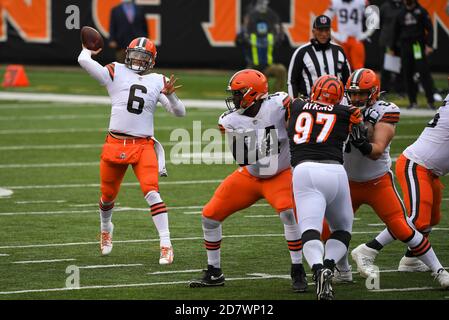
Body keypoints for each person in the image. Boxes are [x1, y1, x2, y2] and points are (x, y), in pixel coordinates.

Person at [189, 69, 307, 293]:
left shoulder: (280, 104)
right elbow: (246, 157)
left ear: (253, 93)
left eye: (237, 93)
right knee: (210, 216)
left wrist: (297, 112)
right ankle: (214, 271)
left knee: (288, 212)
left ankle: (297, 268)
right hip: (250, 174)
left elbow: (300, 116)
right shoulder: (229, 120)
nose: (233, 98)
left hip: (280, 174)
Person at [78, 37, 185, 264]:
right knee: (107, 197)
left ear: (151, 61)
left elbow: (179, 113)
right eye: (135, 55)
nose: (137, 59)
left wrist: (172, 95)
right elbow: (83, 61)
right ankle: (106, 229)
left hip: (143, 145)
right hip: (115, 143)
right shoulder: (115, 71)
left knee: (152, 192)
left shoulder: (158, 80)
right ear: (127, 54)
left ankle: (166, 244)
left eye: (143, 57)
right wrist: (87, 50)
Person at [337, 69, 449, 289]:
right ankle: (343, 267)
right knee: (329, 228)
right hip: (348, 180)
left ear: (375, 93)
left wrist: (360, 140)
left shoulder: (385, 110)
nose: (356, 98)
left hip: (378, 180)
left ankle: (420, 263)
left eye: (362, 93)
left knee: (420, 222)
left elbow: (376, 149)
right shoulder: (339, 105)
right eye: (353, 93)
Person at [287, 74, 362, 300]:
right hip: (335, 172)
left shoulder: (296, 105)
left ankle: (318, 269)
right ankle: (329, 265)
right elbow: (360, 137)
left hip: (305, 171)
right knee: (342, 229)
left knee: (310, 229)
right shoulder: (346, 112)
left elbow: (284, 105)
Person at [287, 15, 351, 99]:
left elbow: (348, 80)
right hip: (310, 104)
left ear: (330, 31)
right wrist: (293, 104)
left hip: (336, 103)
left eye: (326, 30)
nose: (324, 34)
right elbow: (292, 81)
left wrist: (347, 101)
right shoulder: (302, 52)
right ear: (313, 31)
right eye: (320, 30)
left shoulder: (339, 51)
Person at [392, 0, 436, 109]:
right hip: (405, 47)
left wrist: (429, 45)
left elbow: (429, 28)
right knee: (407, 74)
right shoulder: (401, 13)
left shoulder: (420, 11)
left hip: (417, 46)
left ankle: (430, 101)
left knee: (423, 72)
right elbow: (395, 31)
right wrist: (393, 48)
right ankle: (412, 101)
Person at [236, 0, 287, 92]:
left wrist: (280, 34)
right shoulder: (247, 35)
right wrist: (244, 32)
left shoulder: (272, 36)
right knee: (245, 81)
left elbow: (282, 40)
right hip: (252, 67)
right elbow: (238, 41)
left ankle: (277, 95)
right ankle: (247, 97)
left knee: (281, 69)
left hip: (268, 67)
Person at [324, 0, 377, 70]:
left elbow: (374, 18)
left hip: (355, 39)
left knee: (358, 68)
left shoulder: (361, 2)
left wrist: (366, 34)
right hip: (342, 40)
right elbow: (325, 18)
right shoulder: (335, 2)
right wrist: (333, 34)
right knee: (341, 68)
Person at [379, 0, 405, 95]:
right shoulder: (385, 7)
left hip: (401, 42)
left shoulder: (404, 6)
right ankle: (384, 90)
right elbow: (380, 24)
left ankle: (400, 90)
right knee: (386, 68)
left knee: (401, 67)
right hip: (387, 41)